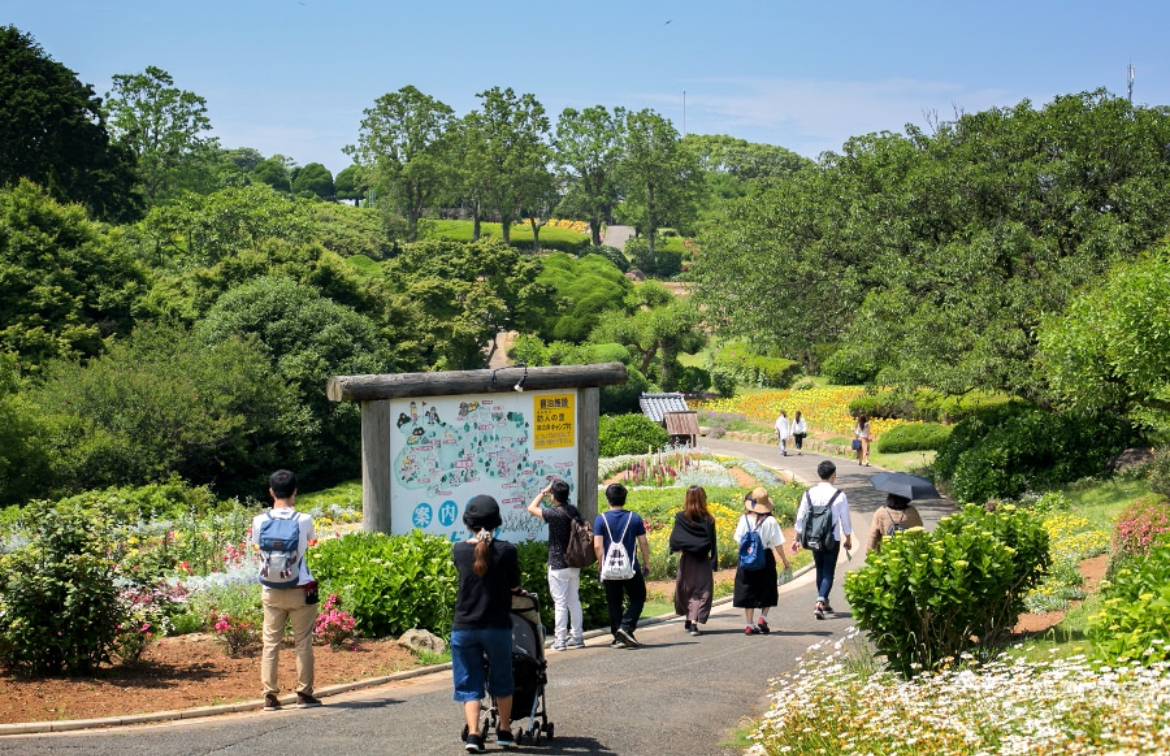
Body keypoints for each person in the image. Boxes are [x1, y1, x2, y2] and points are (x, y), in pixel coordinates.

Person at [452, 495, 522, 753]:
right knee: (502, 677)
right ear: (496, 524)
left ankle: (473, 735)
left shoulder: (458, 551)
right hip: (497, 627)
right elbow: (514, 585)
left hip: (464, 627)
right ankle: (503, 731)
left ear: (469, 524)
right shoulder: (507, 551)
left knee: (469, 682)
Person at [252, 469, 321, 712]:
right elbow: (312, 542)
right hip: (300, 588)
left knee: (270, 643)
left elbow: (257, 547)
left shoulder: (259, 521)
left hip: (270, 590)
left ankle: (270, 696)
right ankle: (304, 693)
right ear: (295, 491)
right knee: (303, 642)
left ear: (271, 492)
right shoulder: (304, 520)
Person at [526, 479, 584, 651]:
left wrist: (543, 491)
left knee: (560, 602)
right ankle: (577, 637)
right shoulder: (573, 510)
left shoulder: (554, 514)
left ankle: (560, 640)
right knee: (574, 600)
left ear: (554, 496)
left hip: (558, 563)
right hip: (574, 562)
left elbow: (531, 508)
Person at [791, 460, 854, 620]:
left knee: (819, 568)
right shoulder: (839, 495)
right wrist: (848, 538)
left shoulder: (808, 494)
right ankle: (819, 602)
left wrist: (796, 538)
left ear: (819, 474)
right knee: (828, 571)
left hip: (813, 538)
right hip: (831, 539)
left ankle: (824, 603)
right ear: (833, 475)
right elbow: (845, 520)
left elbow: (801, 517)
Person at [593, 483, 651, 649]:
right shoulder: (634, 518)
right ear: (624, 499)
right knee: (638, 598)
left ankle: (618, 635)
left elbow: (598, 546)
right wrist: (647, 562)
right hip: (630, 567)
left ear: (607, 500)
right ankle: (625, 628)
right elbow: (643, 542)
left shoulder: (601, 519)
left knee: (614, 602)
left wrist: (600, 562)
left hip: (609, 568)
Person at [733, 487, 792, 635]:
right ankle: (763, 617)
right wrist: (784, 560)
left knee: (748, 588)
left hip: (747, 557)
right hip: (765, 557)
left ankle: (749, 624)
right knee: (768, 588)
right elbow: (777, 543)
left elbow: (738, 540)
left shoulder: (744, 519)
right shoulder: (771, 521)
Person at [668, 485, 717, 637]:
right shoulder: (708, 519)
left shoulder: (680, 517)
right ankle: (693, 621)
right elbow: (711, 542)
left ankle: (691, 620)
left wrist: (683, 547)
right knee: (702, 591)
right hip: (702, 560)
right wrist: (713, 560)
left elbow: (675, 539)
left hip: (686, 560)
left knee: (687, 589)